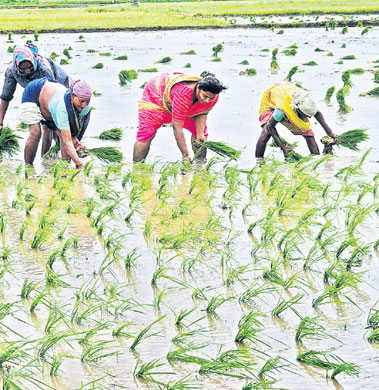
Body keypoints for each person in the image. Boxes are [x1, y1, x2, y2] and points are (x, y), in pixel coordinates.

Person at [133, 72, 227, 162]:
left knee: (201, 138)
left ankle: (199, 167)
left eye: (211, 98)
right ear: (198, 88)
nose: (207, 100)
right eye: (205, 96)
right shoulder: (184, 94)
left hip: (187, 106)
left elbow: (201, 112)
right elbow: (177, 128)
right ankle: (137, 168)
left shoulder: (213, 96)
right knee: (146, 132)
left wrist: (200, 134)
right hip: (157, 98)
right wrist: (185, 154)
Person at [19, 77, 92, 168]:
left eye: (87, 101)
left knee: (63, 135)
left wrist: (77, 144)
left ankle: (62, 166)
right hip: (34, 93)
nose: (84, 105)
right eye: (82, 101)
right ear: (73, 96)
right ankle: (28, 167)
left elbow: (73, 132)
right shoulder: (62, 107)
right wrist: (79, 163)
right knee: (36, 133)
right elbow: (67, 141)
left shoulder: (86, 108)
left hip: (50, 101)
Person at [0, 43, 70, 134]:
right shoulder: (12, 71)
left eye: (30, 67)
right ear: (17, 66)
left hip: (58, 89)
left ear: (34, 62)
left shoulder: (43, 69)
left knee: (51, 128)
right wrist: (0, 122)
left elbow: (52, 98)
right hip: (37, 93)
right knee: (39, 129)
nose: (27, 71)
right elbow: (6, 97)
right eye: (23, 69)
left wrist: (52, 123)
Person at [255, 82, 336, 158]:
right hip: (270, 98)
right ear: (298, 110)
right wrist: (283, 147)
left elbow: (317, 113)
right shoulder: (281, 110)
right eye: (306, 115)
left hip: (287, 90)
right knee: (265, 134)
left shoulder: (305, 102)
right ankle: (259, 162)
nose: (310, 118)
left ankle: (315, 160)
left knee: (308, 134)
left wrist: (330, 133)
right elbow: (270, 126)